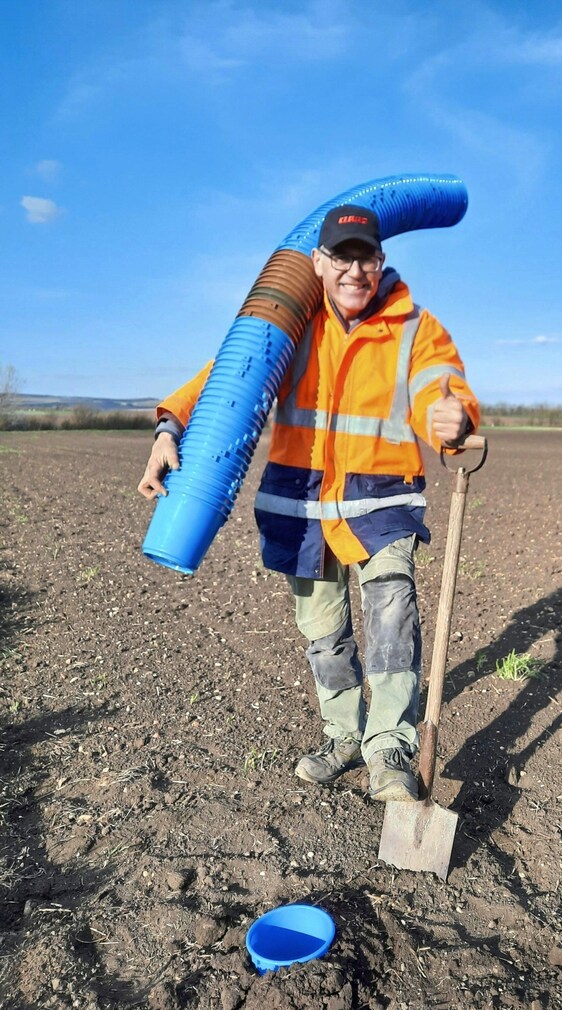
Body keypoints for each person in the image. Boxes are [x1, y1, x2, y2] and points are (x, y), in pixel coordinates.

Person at [138, 205, 479, 802]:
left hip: (383, 503)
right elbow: (225, 380)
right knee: (324, 633)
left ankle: (389, 748)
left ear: (381, 261)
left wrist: (453, 418)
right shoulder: (288, 326)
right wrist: (170, 428)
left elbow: (438, 388)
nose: (354, 270)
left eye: (365, 256)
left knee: (392, 614)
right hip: (300, 511)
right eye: (341, 257)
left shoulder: (415, 328)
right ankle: (344, 735)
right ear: (319, 262)